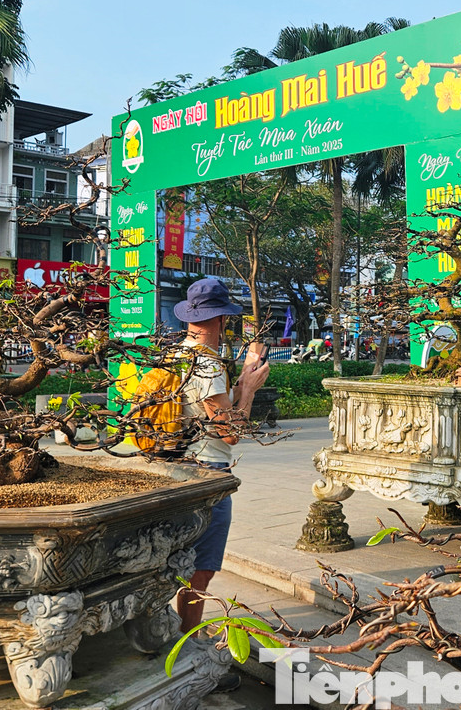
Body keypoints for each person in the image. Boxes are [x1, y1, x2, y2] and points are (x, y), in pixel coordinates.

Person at [170, 278, 270, 689]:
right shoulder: (207, 363)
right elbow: (229, 433)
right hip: (207, 474)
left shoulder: (178, 352)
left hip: (176, 465)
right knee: (200, 572)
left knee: (182, 564)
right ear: (222, 317)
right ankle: (188, 651)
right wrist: (246, 386)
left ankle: (178, 638)